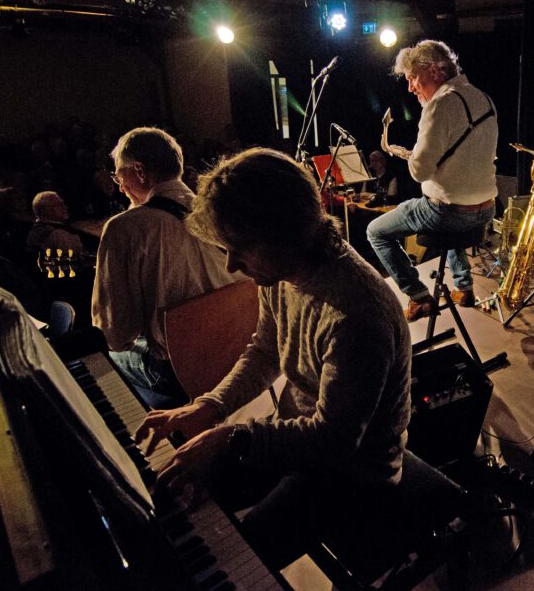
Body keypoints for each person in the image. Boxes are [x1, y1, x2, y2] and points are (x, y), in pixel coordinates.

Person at [134, 148, 411, 570]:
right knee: (176, 493)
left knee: (232, 559)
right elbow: (266, 349)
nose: (231, 265)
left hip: (353, 474)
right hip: (300, 438)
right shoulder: (282, 270)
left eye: (239, 249)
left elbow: (332, 442)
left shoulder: (358, 315)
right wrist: (210, 406)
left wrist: (231, 437)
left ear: (283, 233)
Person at [91, 127, 242, 409]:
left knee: (99, 360)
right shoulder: (220, 211)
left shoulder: (125, 227)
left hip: (180, 372)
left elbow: (115, 333)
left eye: (119, 176)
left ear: (139, 171)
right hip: (237, 352)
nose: (120, 186)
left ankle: (137, 427)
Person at [369, 40, 498, 321]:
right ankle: (463, 287)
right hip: (487, 209)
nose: (410, 87)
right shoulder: (484, 99)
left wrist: (414, 157)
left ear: (433, 71)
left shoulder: (439, 105)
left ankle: (418, 296)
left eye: (413, 78)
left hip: (450, 214)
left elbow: (419, 172)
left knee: (376, 231)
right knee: (448, 204)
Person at [26, 190, 84, 255]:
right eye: (60, 205)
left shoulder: (34, 232)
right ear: (47, 210)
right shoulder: (59, 235)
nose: (65, 207)